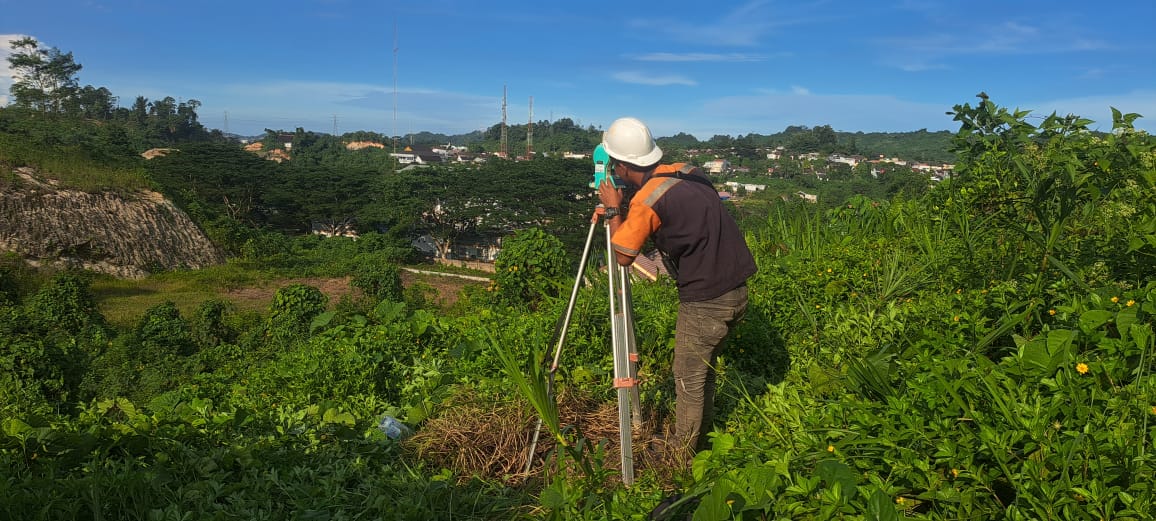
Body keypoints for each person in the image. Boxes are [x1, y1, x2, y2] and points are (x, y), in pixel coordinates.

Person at [596, 116, 757, 457]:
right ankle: (703, 438)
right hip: (736, 288)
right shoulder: (688, 171)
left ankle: (681, 458)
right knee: (703, 373)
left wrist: (613, 209)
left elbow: (624, 256)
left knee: (687, 380)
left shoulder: (646, 202)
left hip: (707, 301)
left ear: (623, 167)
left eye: (613, 165)